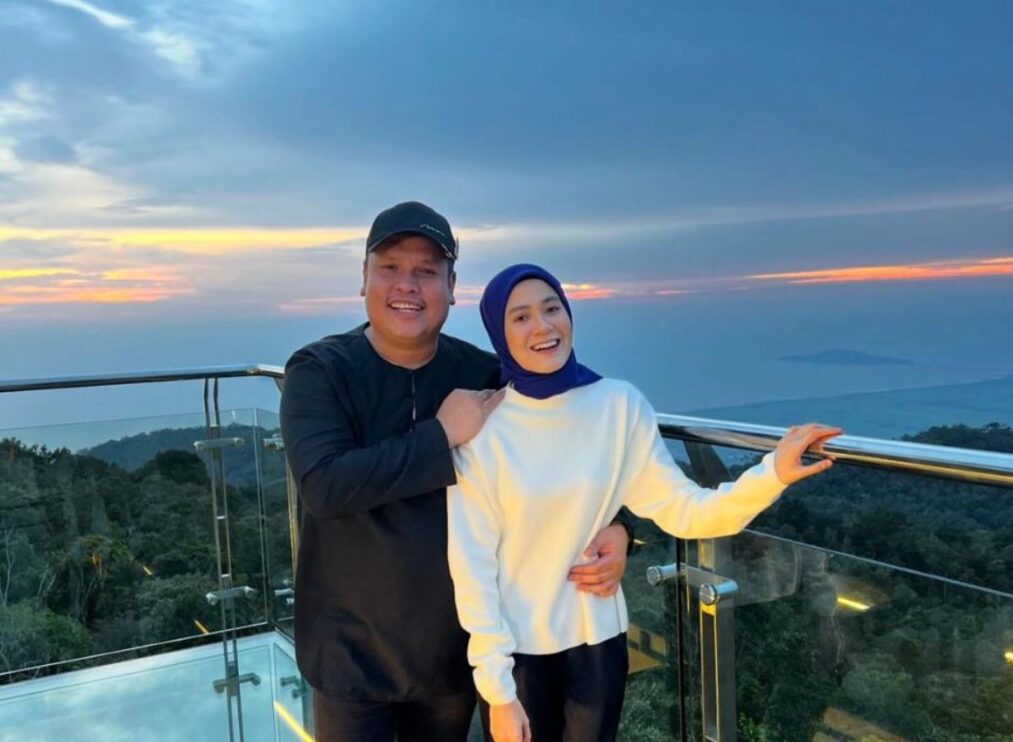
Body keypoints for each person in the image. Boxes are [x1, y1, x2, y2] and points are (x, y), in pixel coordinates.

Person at [279, 203, 631, 742]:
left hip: (450, 655)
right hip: (350, 657)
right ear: (364, 278)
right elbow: (325, 486)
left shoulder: (482, 375)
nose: (407, 285)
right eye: (390, 267)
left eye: (426, 271)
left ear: (451, 287)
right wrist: (441, 435)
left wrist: (622, 524)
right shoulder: (320, 371)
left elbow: (581, 436)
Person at [446, 264, 843, 742]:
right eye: (521, 317)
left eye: (552, 309)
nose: (543, 326)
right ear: (499, 332)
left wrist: (771, 472)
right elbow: (471, 567)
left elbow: (688, 512)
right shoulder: (485, 430)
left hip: (597, 644)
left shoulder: (618, 407)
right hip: (516, 655)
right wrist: (497, 690)